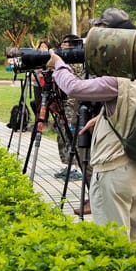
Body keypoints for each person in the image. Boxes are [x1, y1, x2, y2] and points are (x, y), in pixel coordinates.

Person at [47, 7, 136, 240]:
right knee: (134, 236)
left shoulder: (116, 77)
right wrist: (103, 117)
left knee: (113, 240)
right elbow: (130, 107)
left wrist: (58, 64)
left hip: (113, 170)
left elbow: (74, 88)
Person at [53, 34, 84, 181]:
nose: (62, 45)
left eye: (65, 43)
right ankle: (67, 164)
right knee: (62, 134)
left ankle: (75, 166)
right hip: (63, 103)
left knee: (72, 134)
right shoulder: (64, 61)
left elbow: (74, 84)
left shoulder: (76, 62)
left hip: (72, 105)